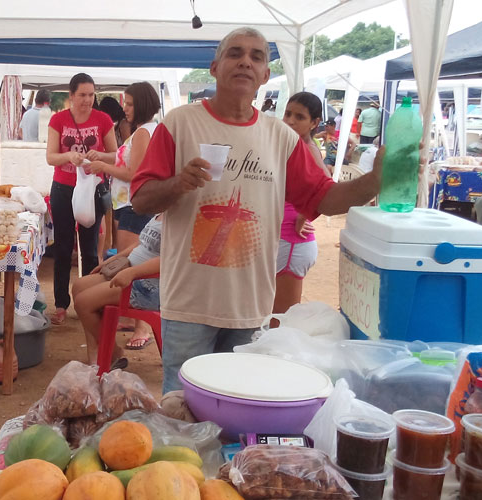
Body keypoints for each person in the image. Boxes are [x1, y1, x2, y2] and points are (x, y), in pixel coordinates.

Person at [130, 27, 387, 393]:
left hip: (249, 308)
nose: (245, 62)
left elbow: (323, 199)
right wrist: (177, 183)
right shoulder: (180, 123)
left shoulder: (281, 138)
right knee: (181, 411)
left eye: (256, 56)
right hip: (188, 305)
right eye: (235, 53)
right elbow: (140, 199)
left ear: (266, 75)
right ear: (215, 67)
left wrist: (375, 181)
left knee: (237, 406)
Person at [89, 82, 160, 349]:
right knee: (130, 260)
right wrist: (106, 157)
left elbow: (134, 173)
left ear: (141, 104)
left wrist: (102, 165)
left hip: (133, 205)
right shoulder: (149, 131)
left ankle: (142, 326)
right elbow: (126, 160)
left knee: (132, 264)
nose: (125, 108)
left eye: (129, 103)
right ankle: (133, 319)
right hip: (130, 205)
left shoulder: (143, 133)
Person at [46, 73, 118, 325]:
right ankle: (60, 304)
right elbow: (50, 157)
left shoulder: (103, 119)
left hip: (92, 189)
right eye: (82, 95)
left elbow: (116, 155)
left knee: (89, 249)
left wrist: (99, 156)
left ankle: (90, 301)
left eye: (91, 95)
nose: (87, 100)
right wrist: (68, 157)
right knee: (63, 248)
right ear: (71, 96)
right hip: (63, 189)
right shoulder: (58, 119)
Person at [72, 215, 161, 366]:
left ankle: (112, 352)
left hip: (147, 285)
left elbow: (170, 259)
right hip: (130, 273)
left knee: (83, 303)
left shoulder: (179, 219)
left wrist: (132, 273)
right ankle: (97, 351)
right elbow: (140, 244)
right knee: (79, 286)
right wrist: (112, 260)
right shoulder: (160, 214)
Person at [273, 92, 328, 316]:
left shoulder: (308, 149)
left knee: (280, 321)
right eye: (287, 114)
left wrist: (304, 215)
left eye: (299, 117)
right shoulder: (291, 145)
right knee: (271, 317)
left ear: (314, 123)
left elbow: (326, 188)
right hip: (283, 240)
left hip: (291, 242)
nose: (290, 121)